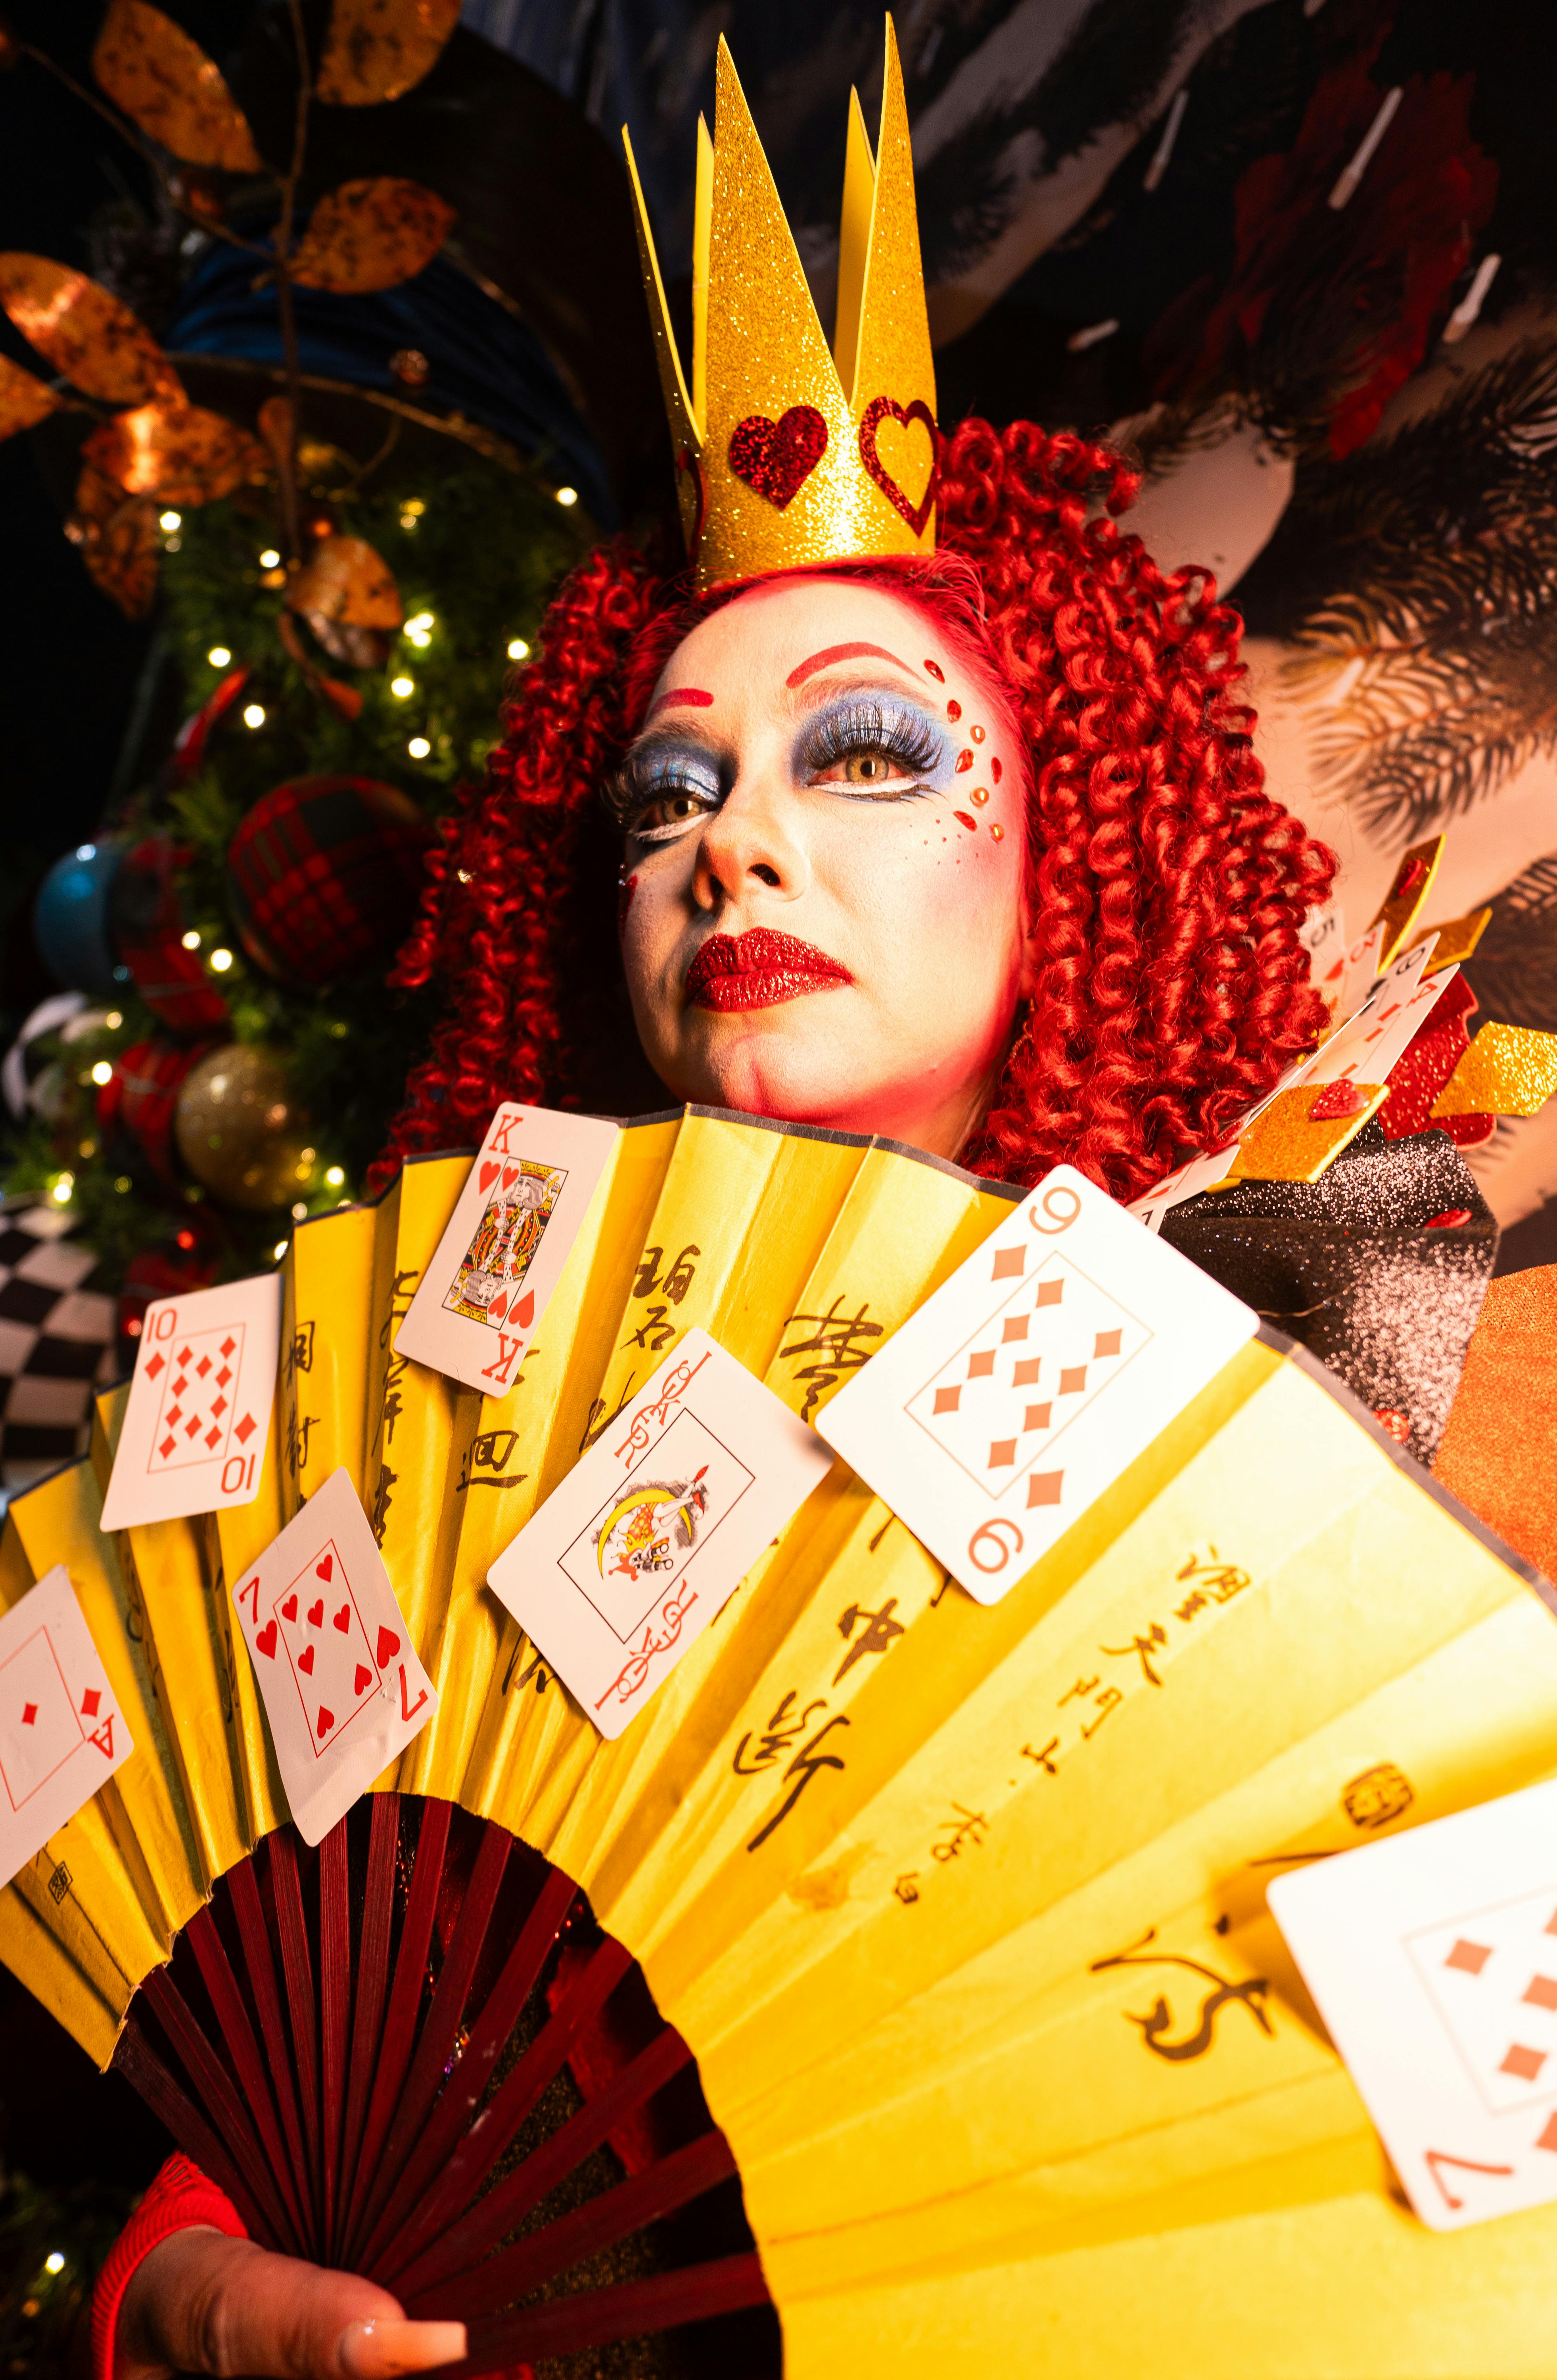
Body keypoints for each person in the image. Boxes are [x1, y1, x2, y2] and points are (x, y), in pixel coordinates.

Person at [96, 32, 1336, 2380]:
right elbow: (309, 1975)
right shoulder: (471, 1421)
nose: (727, 847)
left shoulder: (1315, 1370)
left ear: (1093, 828)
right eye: (664, 797)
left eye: (863, 754)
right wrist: (185, 2281)